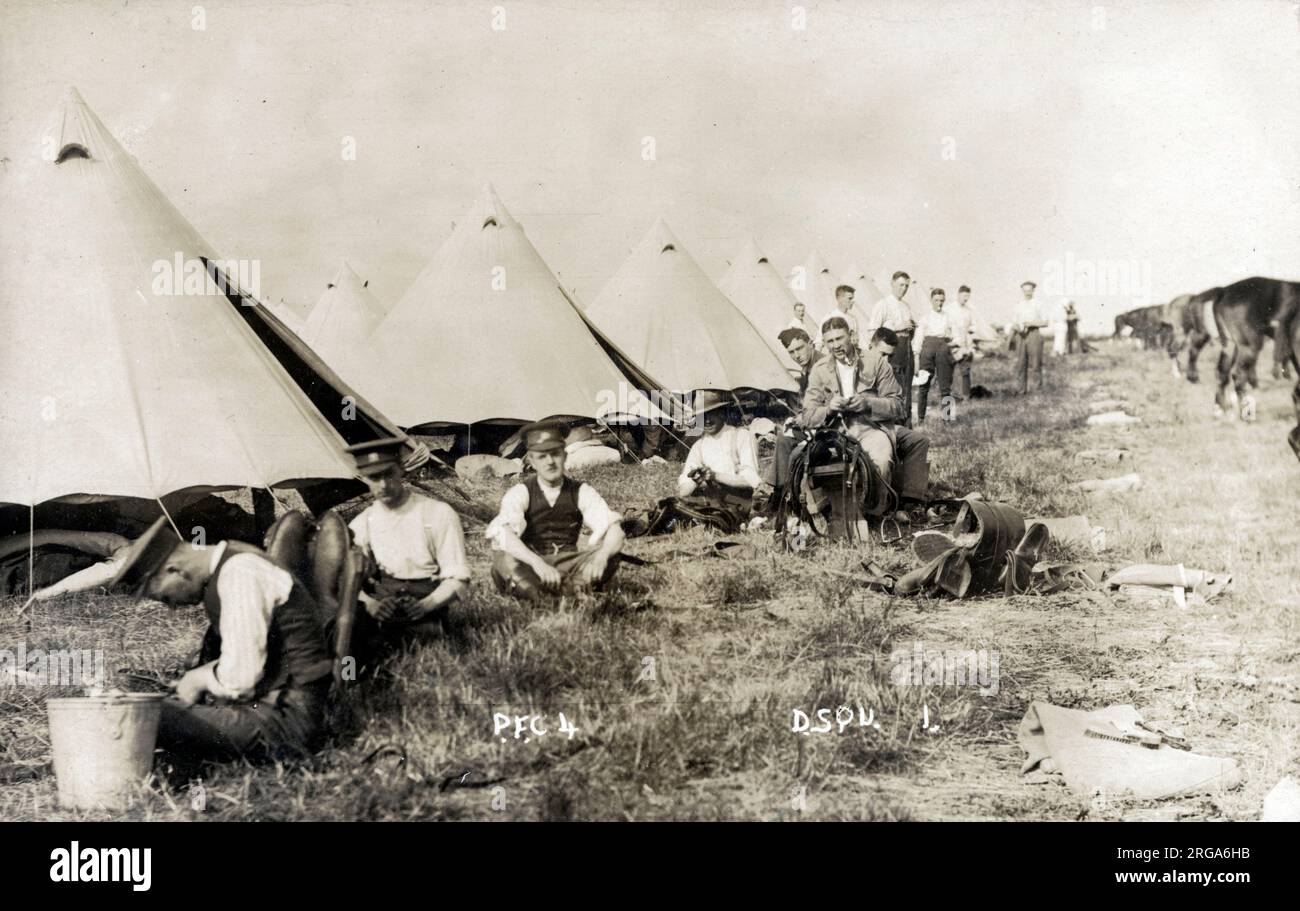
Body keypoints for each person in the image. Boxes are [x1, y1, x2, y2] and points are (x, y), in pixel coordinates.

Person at [108, 516, 333, 764]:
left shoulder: (240, 573)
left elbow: (241, 680)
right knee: (151, 710)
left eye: (165, 598)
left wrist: (196, 681)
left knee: (140, 714)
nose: (172, 608)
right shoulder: (234, 562)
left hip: (286, 721)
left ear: (175, 569)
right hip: (277, 707)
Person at [345, 437, 470, 656]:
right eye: (374, 477)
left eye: (389, 474)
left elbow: (457, 578)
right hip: (383, 600)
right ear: (363, 478)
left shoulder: (438, 512)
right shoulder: (362, 522)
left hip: (426, 596)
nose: (383, 485)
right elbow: (347, 580)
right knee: (359, 641)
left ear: (402, 470)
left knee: (424, 642)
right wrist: (370, 604)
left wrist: (427, 605)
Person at [487, 421, 625, 599]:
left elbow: (614, 530)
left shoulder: (581, 491)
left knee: (612, 555)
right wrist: (537, 563)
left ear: (565, 456)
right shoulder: (520, 492)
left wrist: (601, 557)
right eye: (542, 456)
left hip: (567, 561)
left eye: (555, 454)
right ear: (531, 461)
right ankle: (555, 594)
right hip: (530, 564)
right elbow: (505, 535)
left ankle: (569, 589)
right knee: (504, 561)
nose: (550, 462)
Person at [802, 317, 907, 514]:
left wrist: (868, 404)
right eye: (830, 341)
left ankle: (876, 514)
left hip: (871, 428)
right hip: (835, 433)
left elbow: (899, 405)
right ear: (824, 344)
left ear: (851, 336)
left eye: (839, 338)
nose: (836, 345)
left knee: (882, 461)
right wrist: (829, 409)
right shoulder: (819, 369)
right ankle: (830, 514)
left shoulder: (875, 362)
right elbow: (807, 415)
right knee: (806, 462)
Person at [863, 328, 932, 510]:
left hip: (886, 424)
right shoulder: (858, 366)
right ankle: (882, 504)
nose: (886, 360)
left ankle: (912, 500)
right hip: (866, 427)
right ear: (871, 345)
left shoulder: (888, 370)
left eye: (890, 357)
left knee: (919, 441)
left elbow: (897, 403)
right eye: (882, 354)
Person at [677, 390, 762, 513]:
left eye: (711, 414)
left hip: (737, 504)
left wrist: (715, 476)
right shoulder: (698, 446)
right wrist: (696, 481)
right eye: (702, 417)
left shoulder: (741, 436)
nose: (707, 421)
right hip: (707, 503)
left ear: (722, 413)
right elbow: (683, 491)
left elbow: (751, 480)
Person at [865, 271, 917, 425]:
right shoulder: (883, 304)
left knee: (906, 388)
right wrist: (897, 328)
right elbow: (872, 332)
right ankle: (892, 425)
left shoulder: (906, 306)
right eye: (901, 285)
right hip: (891, 352)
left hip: (907, 349)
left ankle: (907, 426)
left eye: (907, 286)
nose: (904, 289)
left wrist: (911, 329)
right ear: (892, 284)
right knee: (892, 388)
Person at [914, 288, 956, 423]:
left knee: (945, 385)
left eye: (942, 300)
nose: (939, 303)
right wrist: (916, 356)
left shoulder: (948, 317)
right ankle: (920, 418)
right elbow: (918, 338)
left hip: (943, 348)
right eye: (936, 300)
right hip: (927, 349)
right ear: (931, 300)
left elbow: (955, 335)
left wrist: (949, 343)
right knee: (923, 384)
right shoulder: (925, 317)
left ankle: (947, 418)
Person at [1013, 281, 1049, 394]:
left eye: (1029, 290)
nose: (1027, 293)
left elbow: (1046, 322)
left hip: (1034, 334)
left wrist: (1032, 323)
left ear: (1033, 290)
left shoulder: (1039, 304)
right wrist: (1017, 327)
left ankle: (1037, 391)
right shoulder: (1019, 304)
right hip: (1020, 335)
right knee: (1020, 364)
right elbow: (1014, 321)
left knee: (1035, 364)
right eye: (1025, 291)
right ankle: (1020, 391)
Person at [949, 285, 976, 399]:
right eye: (964, 296)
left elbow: (974, 326)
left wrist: (971, 330)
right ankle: (949, 396)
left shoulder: (969, 311)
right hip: (953, 344)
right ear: (958, 294)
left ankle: (966, 396)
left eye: (968, 297)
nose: (966, 299)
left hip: (965, 345)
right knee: (949, 371)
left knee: (965, 371)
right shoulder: (949, 309)